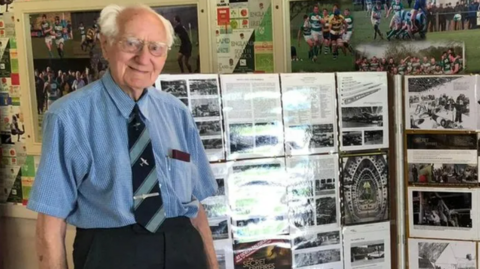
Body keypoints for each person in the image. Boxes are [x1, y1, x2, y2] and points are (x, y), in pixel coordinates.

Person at [27, 4, 218, 269]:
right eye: (131, 44)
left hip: (184, 248)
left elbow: (195, 209)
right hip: (111, 253)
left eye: (155, 48)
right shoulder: (68, 117)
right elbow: (50, 224)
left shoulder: (177, 113)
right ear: (105, 46)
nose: (143, 58)